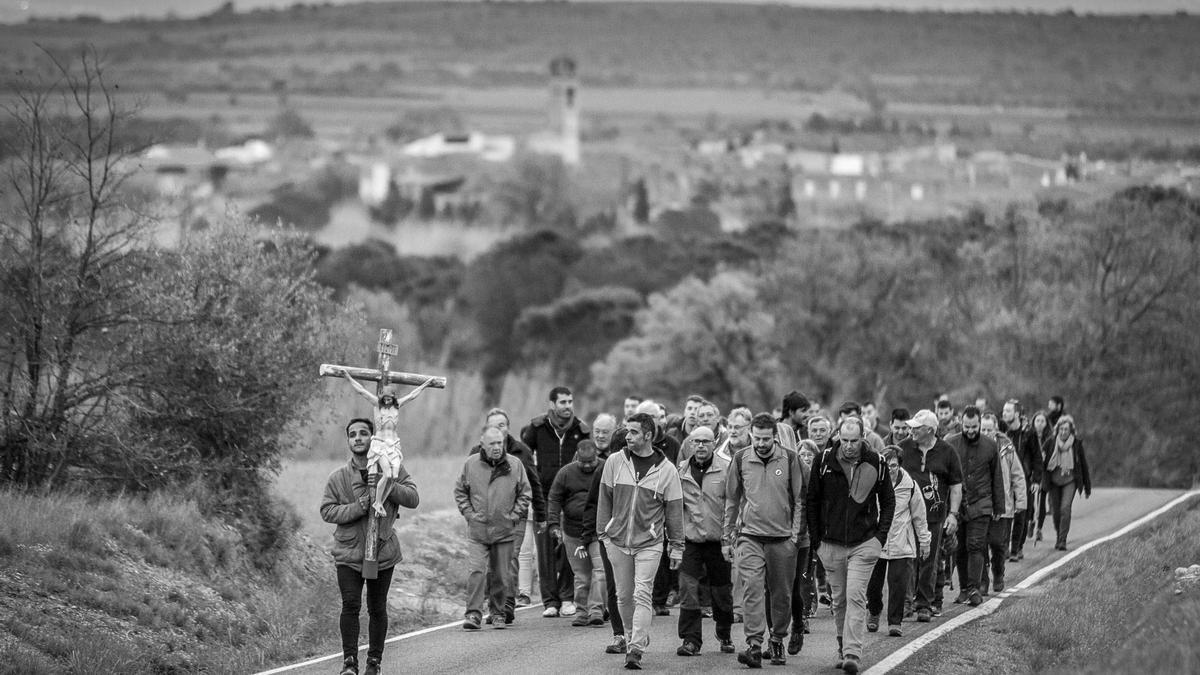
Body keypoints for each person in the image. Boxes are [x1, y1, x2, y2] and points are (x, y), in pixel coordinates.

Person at [322, 418, 420, 675]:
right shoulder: (338, 477)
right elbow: (327, 511)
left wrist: (388, 484)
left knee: (377, 607)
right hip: (349, 552)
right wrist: (357, 508)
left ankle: (374, 662)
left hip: (382, 550)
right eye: (352, 434)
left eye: (363, 433)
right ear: (348, 441)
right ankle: (349, 663)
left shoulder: (394, 468)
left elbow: (413, 497)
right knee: (350, 605)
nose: (357, 438)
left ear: (372, 438)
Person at [807, 416, 895, 675]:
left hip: (864, 543)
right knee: (839, 600)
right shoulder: (823, 461)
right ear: (838, 437)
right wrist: (816, 541)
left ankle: (852, 653)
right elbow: (812, 500)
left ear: (863, 437)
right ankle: (841, 645)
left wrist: (880, 537)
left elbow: (888, 501)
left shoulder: (876, 462)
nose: (848, 446)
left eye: (853, 441)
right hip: (830, 543)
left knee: (856, 596)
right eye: (844, 440)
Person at [597, 412, 685, 670]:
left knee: (642, 593)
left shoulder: (667, 470)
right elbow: (604, 498)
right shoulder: (614, 461)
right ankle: (630, 635)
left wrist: (677, 546)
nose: (627, 436)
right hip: (617, 541)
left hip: (650, 542)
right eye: (626, 431)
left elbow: (674, 511)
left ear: (648, 435)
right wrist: (603, 534)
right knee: (623, 597)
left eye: (633, 432)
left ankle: (635, 648)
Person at [725, 413, 807, 668]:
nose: (760, 443)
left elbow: (800, 501)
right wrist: (727, 537)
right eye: (756, 438)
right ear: (751, 434)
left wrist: (794, 537)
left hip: (782, 538)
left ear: (775, 436)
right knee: (751, 588)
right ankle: (754, 645)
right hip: (750, 536)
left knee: (781, 594)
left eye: (765, 439)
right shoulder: (740, 459)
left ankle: (777, 639)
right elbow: (731, 500)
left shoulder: (791, 459)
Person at [468, 407, 545, 623]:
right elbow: (466, 486)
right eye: (493, 426)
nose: (498, 430)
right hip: (485, 519)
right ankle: (495, 605)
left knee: (509, 559)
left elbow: (533, 485)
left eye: (502, 425)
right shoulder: (475, 453)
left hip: (514, 518)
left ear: (508, 428)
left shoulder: (521, 452)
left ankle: (506, 605)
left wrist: (541, 514)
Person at [454, 425, 532, 631]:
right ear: (483, 445)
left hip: (505, 531)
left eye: (500, 443)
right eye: (492, 444)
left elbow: (525, 492)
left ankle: (498, 613)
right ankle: (473, 614)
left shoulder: (515, 465)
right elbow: (460, 491)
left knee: (501, 575)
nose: (497, 447)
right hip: (478, 532)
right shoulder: (471, 464)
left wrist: (514, 516)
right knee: (477, 572)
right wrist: (469, 514)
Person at [522, 386, 590, 618]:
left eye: (570, 401)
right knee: (546, 551)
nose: (567, 406)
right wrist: (532, 483)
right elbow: (523, 455)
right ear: (552, 404)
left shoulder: (581, 430)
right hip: (543, 498)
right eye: (563, 402)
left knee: (569, 550)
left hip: (571, 501)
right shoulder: (537, 428)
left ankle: (567, 597)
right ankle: (550, 601)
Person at [675, 426, 735, 657]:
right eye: (696, 441)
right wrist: (675, 540)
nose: (700, 445)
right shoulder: (680, 471)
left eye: (705, 441)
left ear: (714, 443)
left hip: (718, 540)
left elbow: (733, 503)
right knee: (687, 588)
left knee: (721, 591)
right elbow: (674, 507)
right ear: (690, 444)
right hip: (690, 540)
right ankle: (691, 640)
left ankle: (724, 631)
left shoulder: (726, 469)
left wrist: (729, 535)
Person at [339, 372, 435, 516]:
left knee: (393, 476)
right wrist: (348, 377)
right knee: (387, 474)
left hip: (393, 445)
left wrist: (426, 383)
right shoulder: (377, 406)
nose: (388, 400)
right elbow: (361, 391)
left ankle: (380, 503)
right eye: (386, 398)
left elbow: (412, 395)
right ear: (383, 398)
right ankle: (377, 502)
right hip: (380, 446)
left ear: (393, 398)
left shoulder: (397, 407)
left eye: (391, 398)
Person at [898, 409, 963, 622]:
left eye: (917, 428)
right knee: (907, 559)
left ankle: (924, 603)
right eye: (912, 427)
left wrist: (953, 515)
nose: (912, 431)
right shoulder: (905, 448)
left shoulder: (947, 451)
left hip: (934, 516)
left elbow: (955, 486)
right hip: (906, 515)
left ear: (930, 430)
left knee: (928, 560)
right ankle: (905, 602)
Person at [866, 446, 930, 638]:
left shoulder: (909, 485)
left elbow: (919, 515)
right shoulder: (872, 482)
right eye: (886, 465)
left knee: (898, 584)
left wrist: (924, 541)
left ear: (899, 465)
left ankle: (895, 622)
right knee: (874, 585)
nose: (890, 469)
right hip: (877, 541)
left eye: (893, 465)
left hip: (902, 542)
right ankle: (875, 611)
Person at [944, 407, 1004, 607]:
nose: (970, 430)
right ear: (961, 423)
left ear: (979, 424)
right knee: (959, 548)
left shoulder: (990, 445)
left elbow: (997, 477)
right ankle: (963, 589)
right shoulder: (951, 443)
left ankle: (974, 588)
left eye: (974, 427)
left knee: (976, 545)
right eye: (967, 427)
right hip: (958, 503)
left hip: (982, 502)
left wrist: (999, 507)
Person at [549, 439, 608, 627]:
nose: (589, 465)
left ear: (596, 457)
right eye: (584, 462)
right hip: (573, 532)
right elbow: (554, 498)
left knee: (600, 572)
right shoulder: (566, 473)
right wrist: (553, 524)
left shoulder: (606, 469)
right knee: (582, 575)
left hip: (599, 531)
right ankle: (582, 611)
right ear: (577, 457)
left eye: (592, 461)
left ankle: (596, 610)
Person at [979, 413, 1026, 594]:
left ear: (996, 429)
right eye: (983, 429)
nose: (986, 432)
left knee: (998, 544)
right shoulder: (974, 447)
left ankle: (998, 572)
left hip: (1002, 506)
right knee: (979, 544)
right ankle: (982, 580)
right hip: (981, 505)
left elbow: (1017, 475)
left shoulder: (1006, 447)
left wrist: (1021, 501)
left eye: (989, 429)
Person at [1042, 415, 1091, 551]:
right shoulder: (1050, 443)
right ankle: (1059, 535)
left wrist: (1087, 487)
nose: (1063, 432)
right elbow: (1042, 463)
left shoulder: (1076, 444)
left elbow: (1083, 465)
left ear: (1071, 431)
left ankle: (1062, 540)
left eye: (1066, 430)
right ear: (1057, 430)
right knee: (1056, 512)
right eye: (1061, 429)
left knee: (1065, 508)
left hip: (1070, 480)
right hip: (1054, 481)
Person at [1002, 401, 1041, 562]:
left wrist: (1036, 480)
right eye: (1004, 410)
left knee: (1022, 514)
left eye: (1008, 411)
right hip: (1005, 477)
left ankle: (1017, 547)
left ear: (1017, 414)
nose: (1004, 413)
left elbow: (1037, 457)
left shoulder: (1029, 433)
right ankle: (1004, 547)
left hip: (1025, 478)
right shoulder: (1001, 432)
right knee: (1005, 513)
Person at [1030, 410, 1054, 543]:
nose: (1039, 424)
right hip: (1031, 472)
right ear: (1033, 422)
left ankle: (1039, 528)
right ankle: (1030, 520)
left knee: (1042, 501)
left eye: (1042, 421)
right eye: (1037, 421)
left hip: (1044, 472)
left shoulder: (1049, 438)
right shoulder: (1029, 436)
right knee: (1030, 501)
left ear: (1046, 424)